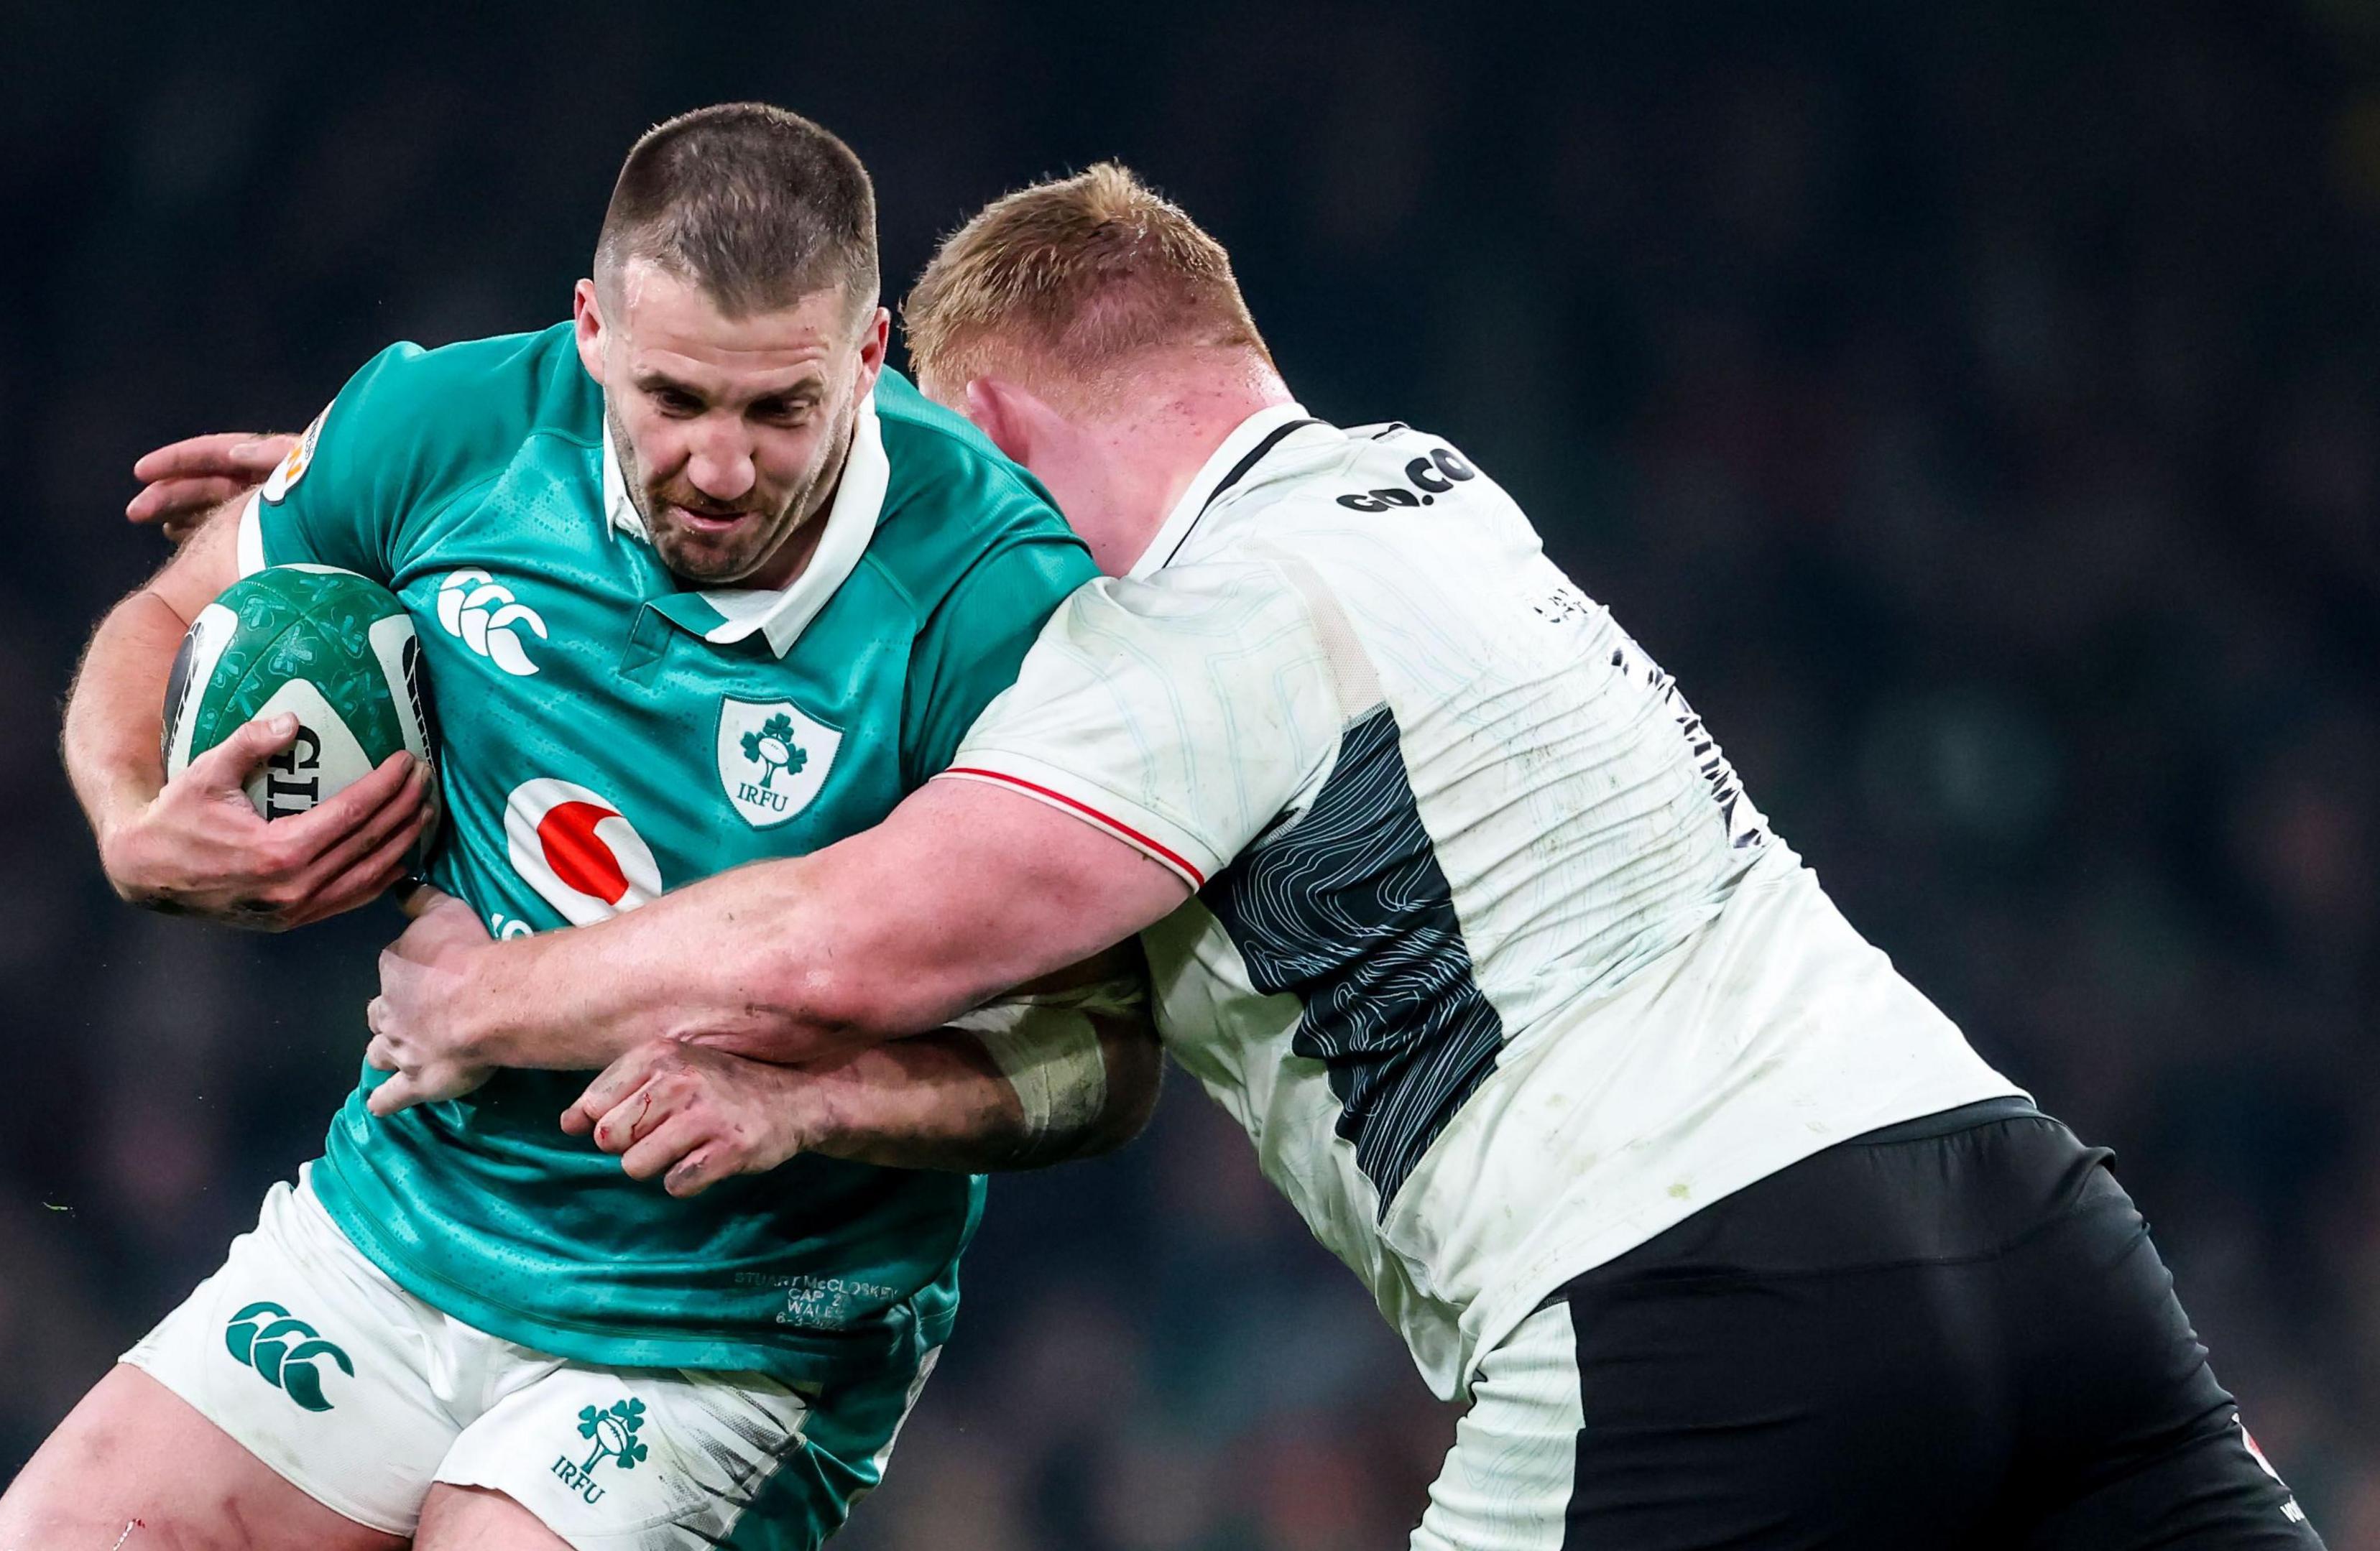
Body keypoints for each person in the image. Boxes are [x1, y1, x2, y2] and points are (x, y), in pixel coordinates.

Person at [359, 164, 2324, 1549]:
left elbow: (844, 940)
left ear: (989, 428)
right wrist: (364, 474)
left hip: (1688, 1296)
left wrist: (493, 987)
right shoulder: (1440, 499)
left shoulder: (1195, 630)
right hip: (2033, 1224)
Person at [0, 106, 1161, 1551]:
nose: (720, 466)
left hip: (731, 1327)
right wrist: (130, 819)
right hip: (401, 1227)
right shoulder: (447, 429)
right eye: (674, 398)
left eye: (779, 410)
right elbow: (176, 604)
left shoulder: (992, 600)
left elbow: (1103, 1055)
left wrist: (814, 1100)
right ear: (592, 328)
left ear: (869, 356)